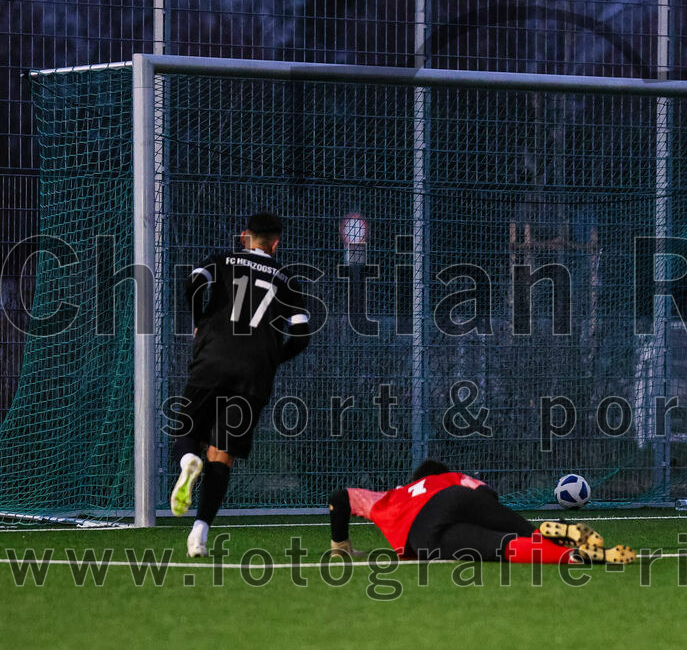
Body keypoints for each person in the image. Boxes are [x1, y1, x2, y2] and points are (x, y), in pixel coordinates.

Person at [168, 212, 311, 557]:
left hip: (213, 360)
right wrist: (273, 358)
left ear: (244, 236)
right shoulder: (286, 278)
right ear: (275, 243)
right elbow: (302, 333)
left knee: (189, 432)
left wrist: (199, 320)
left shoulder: (221, 260)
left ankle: (189, 459)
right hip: (253, 373)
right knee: (223, 453)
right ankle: (199, 534)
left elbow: (193, 282)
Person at [328, 460, 636, 564]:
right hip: (458, 496)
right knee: (522, 531)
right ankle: (559, 534)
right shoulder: (447, 478)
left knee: (498, 548)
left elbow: (338, 498)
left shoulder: (393, 496)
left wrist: (340, 545)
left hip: (421, 532)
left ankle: (573, 558)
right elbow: (486, 494)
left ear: (414, 481)